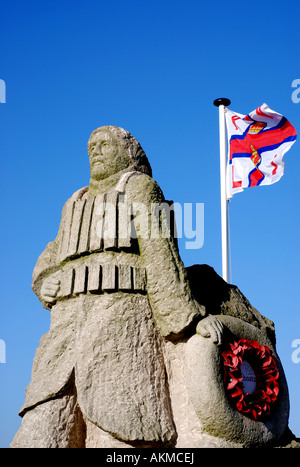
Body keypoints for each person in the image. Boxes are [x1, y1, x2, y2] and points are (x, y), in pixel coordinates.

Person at [11, 126, 223, 448]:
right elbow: (52, 251)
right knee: (41, 426)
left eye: (104, 145)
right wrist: (43, 280)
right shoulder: (75, 201)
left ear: (128, 153)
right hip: (64, 327)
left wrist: (188, 320)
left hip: (120, 320)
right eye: (91, 147)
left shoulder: (141, 188)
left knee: (119, 427)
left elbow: (161, 257)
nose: (95, 151)